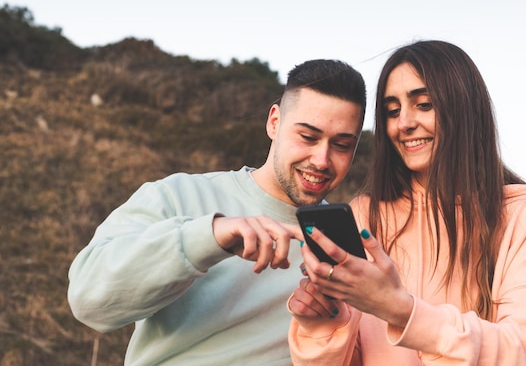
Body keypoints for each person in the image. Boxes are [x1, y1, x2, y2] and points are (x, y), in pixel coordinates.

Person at [288, 40, 526, 366]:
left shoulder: (524, 213)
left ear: (463, 107)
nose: (404, 123)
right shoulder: (365, 216)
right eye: (392, 111)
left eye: (423, 105)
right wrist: (325, 325)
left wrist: (402, 310)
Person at [67, 59, 367, 366]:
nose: (322, 160)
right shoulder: (178, 195)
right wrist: (208, 238)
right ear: (274, 122)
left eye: (342, 145)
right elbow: (89, 302)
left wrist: (328, 323)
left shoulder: (353, 241)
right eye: (308, 137)